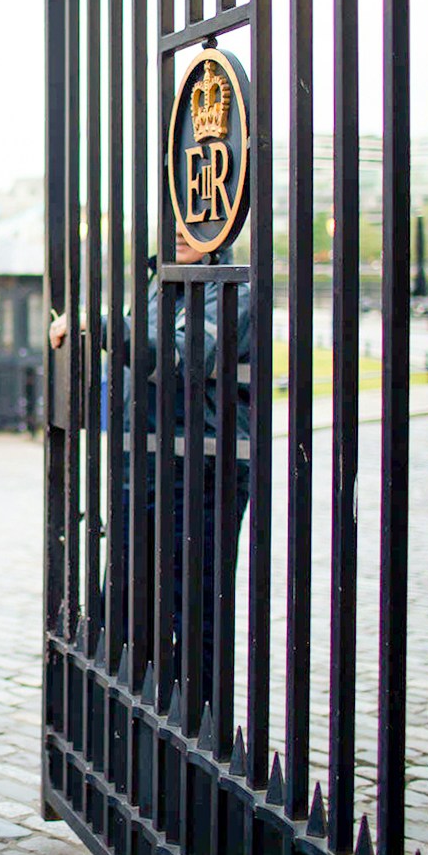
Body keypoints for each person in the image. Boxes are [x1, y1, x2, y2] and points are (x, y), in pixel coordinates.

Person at [49, 225, 251, 703]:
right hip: (140, 465)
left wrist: (95, 324)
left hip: (201, 470)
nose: (180, 231)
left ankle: (194, 733)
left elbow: (182, 358)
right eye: (173, 218)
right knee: (122, 602)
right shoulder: (156, 283)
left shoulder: (233, 287)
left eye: (195, 221)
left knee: (190, 611)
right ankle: (127, 725)